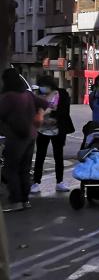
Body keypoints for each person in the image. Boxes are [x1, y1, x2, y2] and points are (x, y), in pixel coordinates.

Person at [0, 69, 46, 212]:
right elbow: (44, 103)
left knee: (11, 169)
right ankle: (25, 200)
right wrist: (39, 116)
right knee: (24, 170)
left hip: (16, 137)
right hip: (31, 136)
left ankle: (16, 201)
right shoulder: (28, 94)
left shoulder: (8, 97)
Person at [31, 76, 74, 194]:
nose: (43, 89)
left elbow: (64, 110)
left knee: (58, 156)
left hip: (57, 129)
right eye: (41, 87)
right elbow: (34, 111)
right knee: (40, 155)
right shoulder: (38, 96)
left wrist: (54, 119)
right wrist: (44, 120)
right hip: (42, 130)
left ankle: (59, 182)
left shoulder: (61, 94)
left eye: (45, 86)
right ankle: (36, 182)